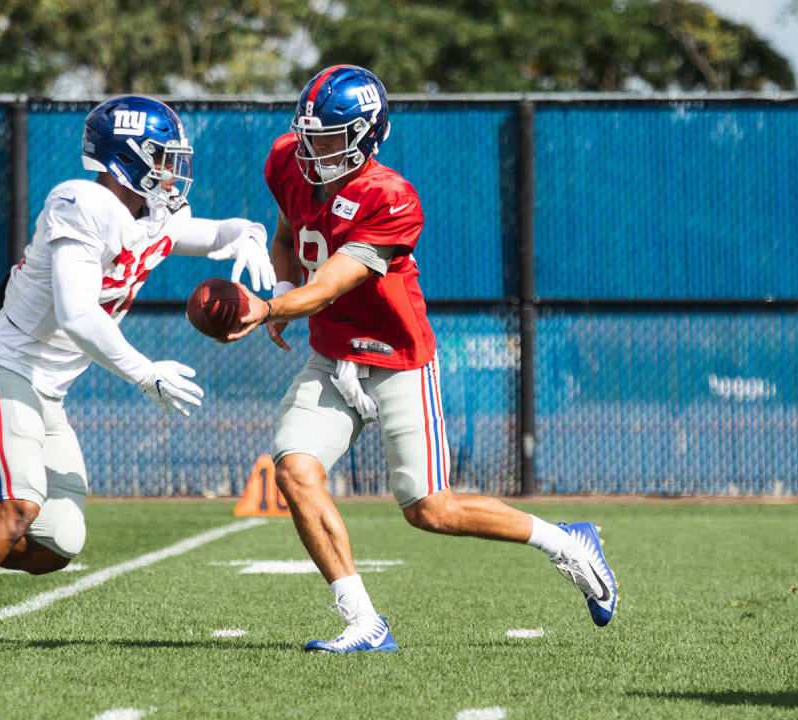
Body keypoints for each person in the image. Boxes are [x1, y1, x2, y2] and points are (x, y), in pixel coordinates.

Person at [0, 95, 276, 666]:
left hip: (45, 391)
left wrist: (244, 232)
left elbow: (204, 231)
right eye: (161, 156)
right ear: (127, 157)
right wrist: (144, 372)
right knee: (18, 509)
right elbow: (77, 314)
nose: (173, 170)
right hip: (2, 373)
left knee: (55, 544)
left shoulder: (151, 212)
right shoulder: (82, 202)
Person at [224, 65, 617, 653]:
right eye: (307, 134)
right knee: (294, 470)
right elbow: (288, 239)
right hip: (331, 357)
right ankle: (363, 621)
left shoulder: (391, 197)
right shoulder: (287, 161)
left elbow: (332, 283)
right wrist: (280, 292)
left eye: (327, 138)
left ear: (365, 136)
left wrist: (270, 307)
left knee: (431, 510)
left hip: (397, 360)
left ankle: (568, 543)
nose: (311, 149)